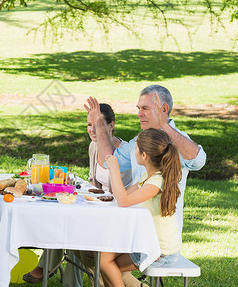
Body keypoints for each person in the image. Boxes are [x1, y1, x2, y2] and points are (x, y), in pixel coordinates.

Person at [24, 104, 141, 287]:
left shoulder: (124, 153)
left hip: (115, 214)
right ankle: (67, 280)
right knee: (68, 224)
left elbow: (121, 194)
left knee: (72, 231)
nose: (92, 130)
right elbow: (94, 183)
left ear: (111, 126)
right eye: (89, 125)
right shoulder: (94, 146)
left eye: (97, 125)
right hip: (97, 207)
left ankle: (47, 270)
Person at [85, 85, 206, 234]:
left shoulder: (177, 140)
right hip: (136, 226)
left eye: (145, 108)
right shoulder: (139, 140)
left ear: (163, 109)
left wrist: (164, 126)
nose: (139, 114)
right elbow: (109, 160)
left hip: (160, 234)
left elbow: (199, 160)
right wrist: (99, 124)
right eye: (138, 108)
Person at [100, 128, 183, 287]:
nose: (134, 151)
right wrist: (113, 173)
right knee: (104, 258)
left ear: (144, 155)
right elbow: (122, 195)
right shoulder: (149, 177)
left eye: (136, 148)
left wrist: (115, 170)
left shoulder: (157, 182)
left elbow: (123, 201)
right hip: (148, 242)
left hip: (160, 251)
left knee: (108, 263)